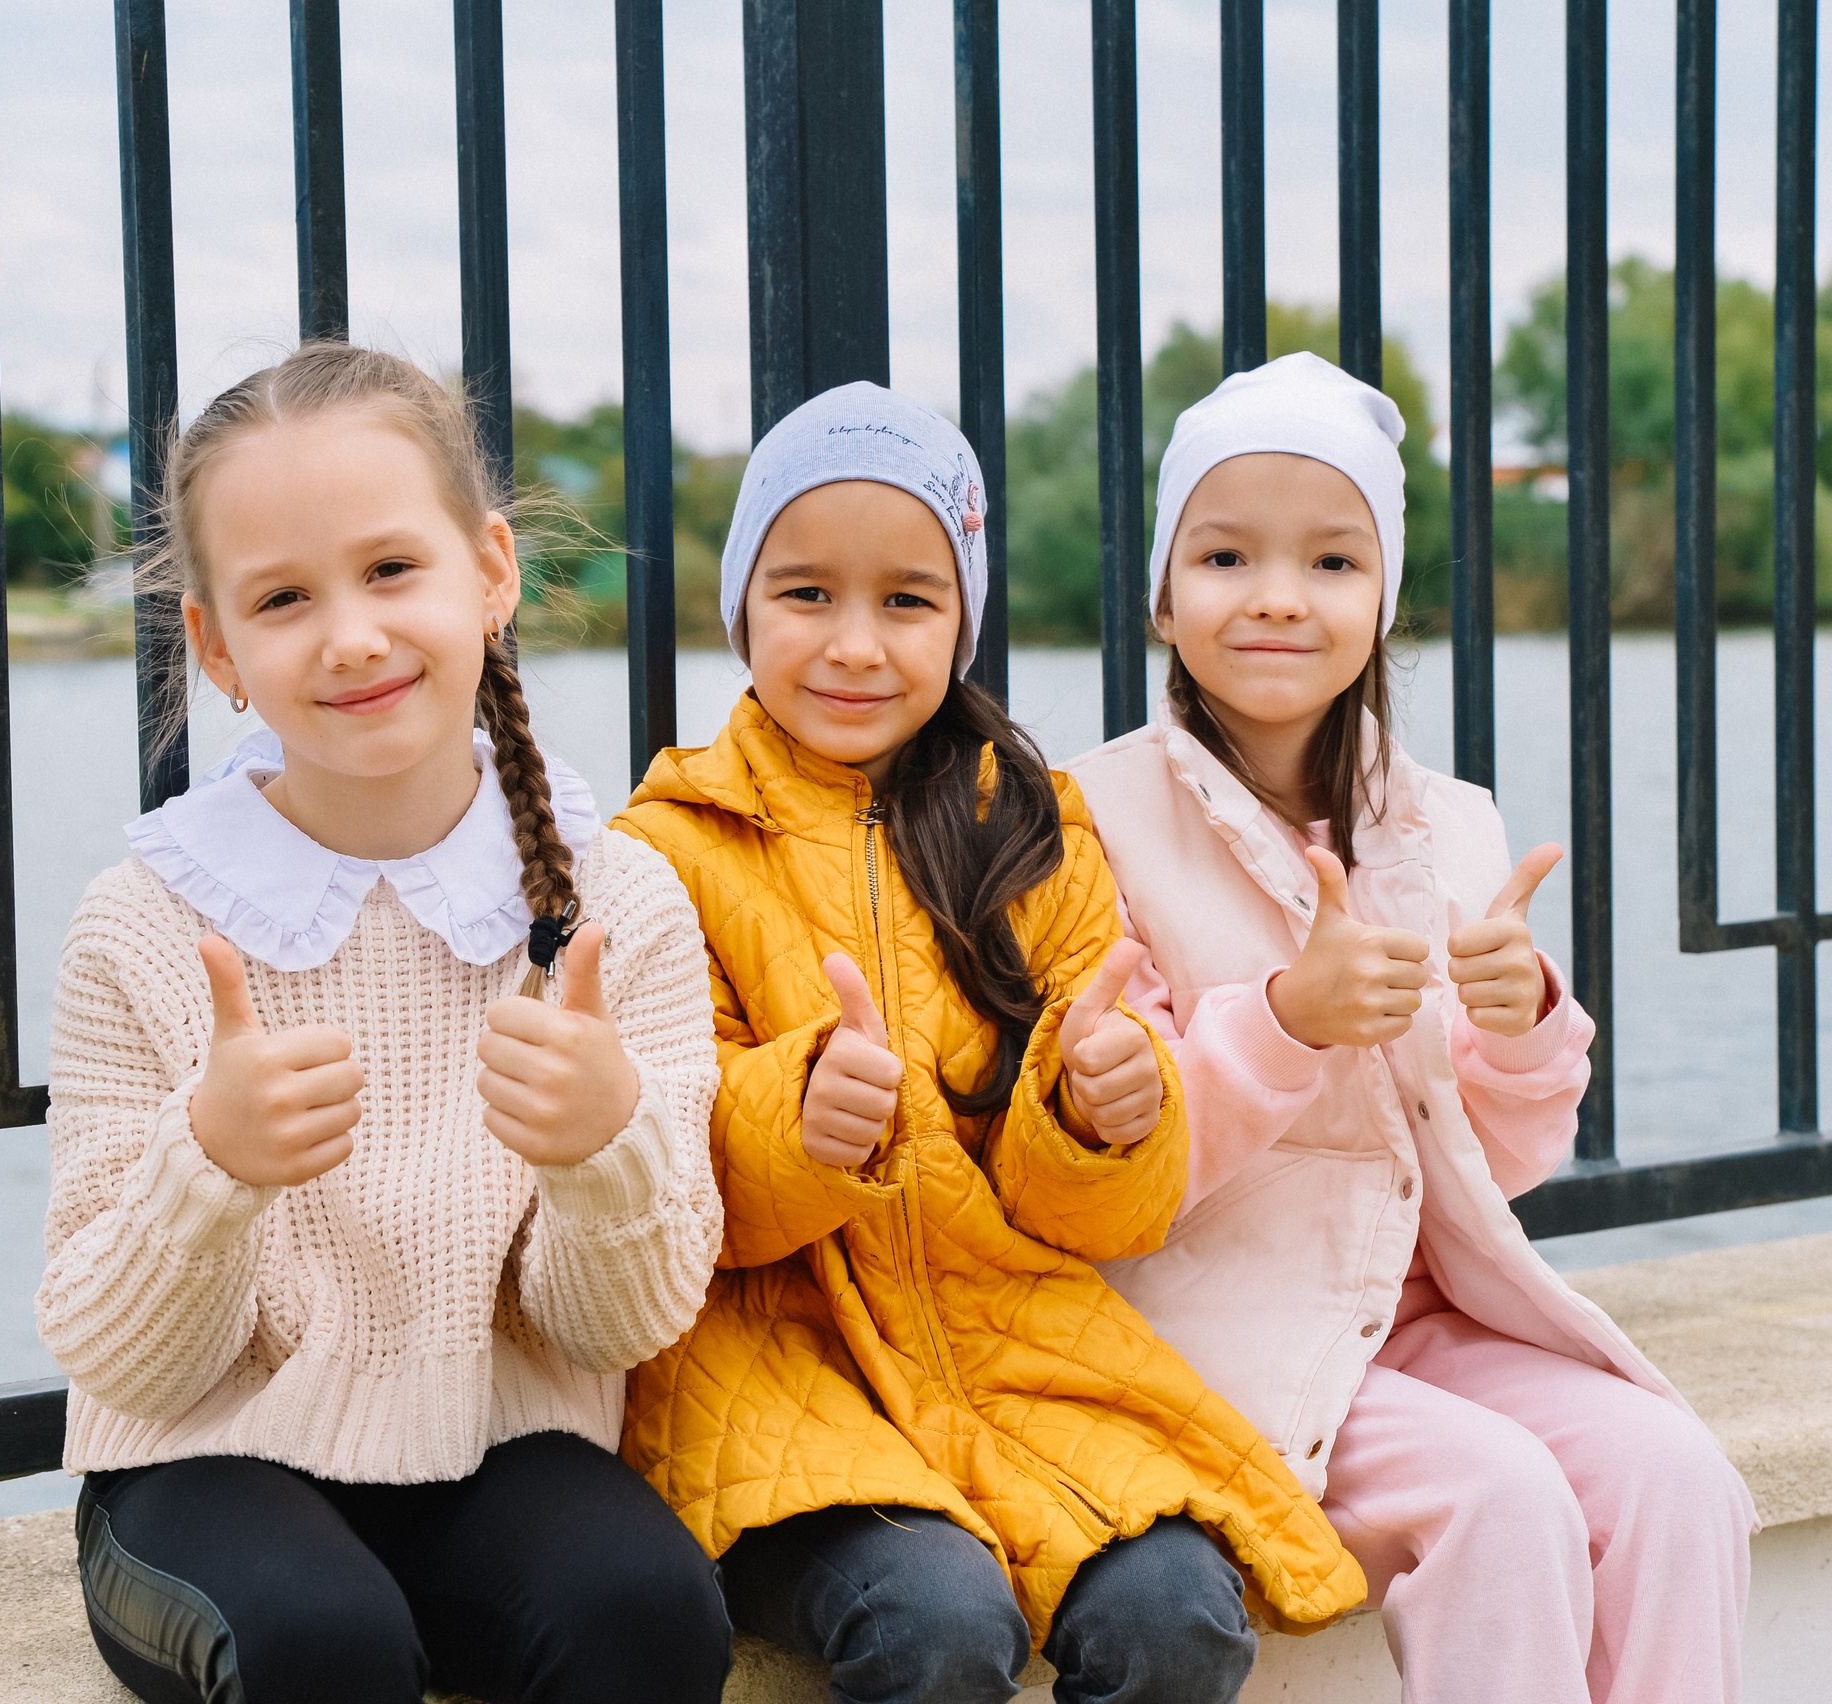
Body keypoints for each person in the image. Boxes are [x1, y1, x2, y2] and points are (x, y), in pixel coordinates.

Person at [612, 381, 1363, 1704]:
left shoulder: (1032, 834)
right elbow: (657, 1184)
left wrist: (1104, 1109)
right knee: (937, 1622)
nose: (855, 645)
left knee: (1178, 1613)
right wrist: (792, 1123)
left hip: (1018, 1356)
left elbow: (1105, 1218)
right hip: (783, 1372)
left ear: (962, 619)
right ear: (740, 611)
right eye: (805, 596)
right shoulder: (664, 852)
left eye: (907, 600)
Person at [35, 343, 732, 1704]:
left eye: (392, 571)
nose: (350, 633)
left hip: (495, 1449)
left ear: (490, 573)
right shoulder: (142, 922)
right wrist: (211, 1167)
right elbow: (120, 1354)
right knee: (322, 1647)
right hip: (200, 1467)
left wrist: (608, 1153)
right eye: (285, 598)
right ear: (219, 646)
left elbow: (619, 1332)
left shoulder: (617, 903)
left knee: (648, 1614)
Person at [1066, 351, 1756, 1704]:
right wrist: (1281, 1026)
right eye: (1223, 558)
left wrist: (1519, 1030)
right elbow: (1111, 1174)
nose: (1278, 597)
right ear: (1161, 594)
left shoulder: (1445, 822)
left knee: (1677, 1477)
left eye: (1333, 562)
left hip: (1427, 1312)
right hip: (1220, 1318)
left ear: (1382, 599)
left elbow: (1500, 1163)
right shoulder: (1087, 819)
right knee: (1500, 1500)